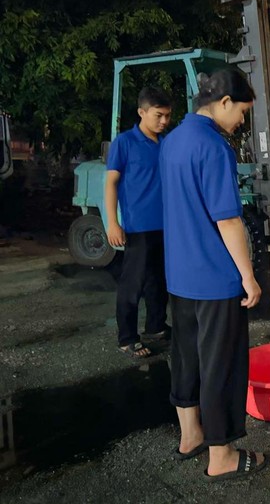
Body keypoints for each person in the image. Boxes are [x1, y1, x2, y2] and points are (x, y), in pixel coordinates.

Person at [159, 69, 266, 480]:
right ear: (224, 103)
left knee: (185, 356)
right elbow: (228, 222)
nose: (241, 120)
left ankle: (191, 435)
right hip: (215, 277)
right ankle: (221, 456)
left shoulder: (171, 142)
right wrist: (249, 277)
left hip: (180, 276)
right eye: (241, 111)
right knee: (221, 365)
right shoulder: (214, 147)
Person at [105, 86, 172, 359]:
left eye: (167, 116)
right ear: (141, 112)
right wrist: (113, 222)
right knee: (133, 283)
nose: (164, 121)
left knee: (159, 281)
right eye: (158, 115)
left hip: (166, 225)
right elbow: (111, 183)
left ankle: (156, 327)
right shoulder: (125, 142)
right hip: (137, 226)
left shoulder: (165, 143)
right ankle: (127, 338)